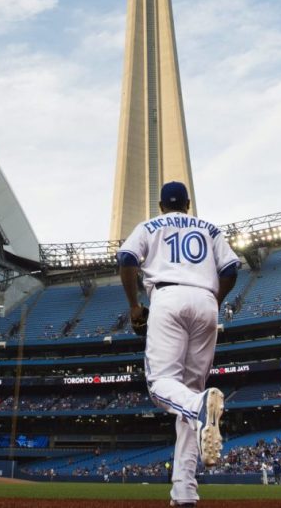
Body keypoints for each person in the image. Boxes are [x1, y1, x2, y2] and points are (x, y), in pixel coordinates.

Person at [118, 180, 241, 507]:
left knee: (161, 386)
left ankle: (201, 407)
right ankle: (184, 491)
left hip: (168, 297)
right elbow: (231, 268)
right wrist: (215, 299)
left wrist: (133, 306)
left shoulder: (149, 225)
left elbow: (127, 257)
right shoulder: (209, 228)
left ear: (161, 206)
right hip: (206, 301)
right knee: (189, 395)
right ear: (188, 204)